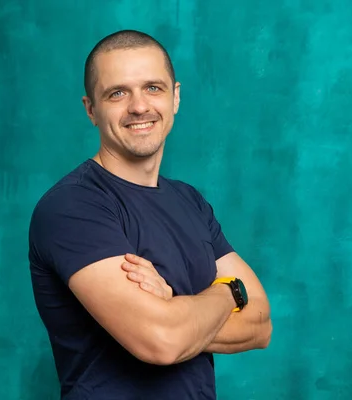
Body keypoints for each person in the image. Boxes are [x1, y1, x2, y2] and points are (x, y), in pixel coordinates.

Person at [28, 29, 272, 400]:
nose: (139, 106)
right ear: (91, 109)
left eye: (153, 88)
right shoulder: (72, 207)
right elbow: (162, 340)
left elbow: (260, 325)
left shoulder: (189, 201)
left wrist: (174, 305)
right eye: (117, 93)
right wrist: (228, 293)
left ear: (175, 97)